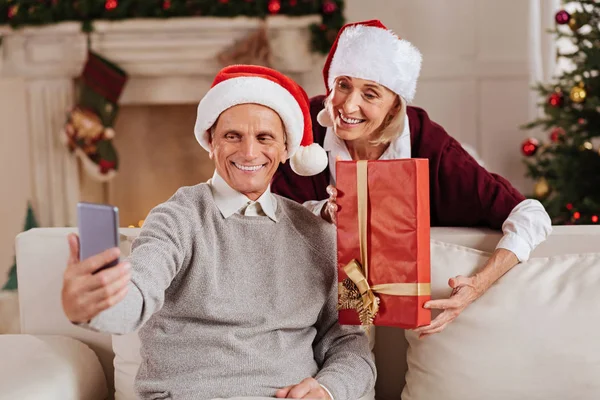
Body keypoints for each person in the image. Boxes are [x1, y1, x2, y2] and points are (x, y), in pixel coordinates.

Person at [61, 65, 375, 400]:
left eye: (265, 137)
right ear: (211, 142)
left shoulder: (319, 235)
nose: (249, 152)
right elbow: (139, 288)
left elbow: (350, 341)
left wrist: (328, 390)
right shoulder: (176, 218)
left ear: (286, 148)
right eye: (232, 136)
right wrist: (94, 306)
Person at [271, 20, 553, 339]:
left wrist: (477, 285)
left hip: (389, 311)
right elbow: (269, 223)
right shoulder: (305, 134)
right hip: (317, 305)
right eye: (343, 85)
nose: (348, 105)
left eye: (370, 93)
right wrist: (323, 214)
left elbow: (530, 214)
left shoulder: (428, 143)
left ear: (394, 105)